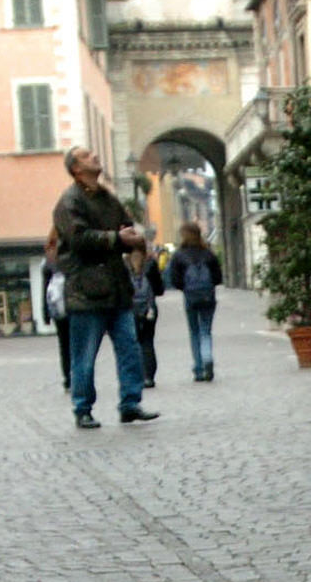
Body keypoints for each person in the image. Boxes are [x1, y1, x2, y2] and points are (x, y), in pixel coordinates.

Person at [51, 147, 158, 431]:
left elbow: (126, 225)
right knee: (84, 356)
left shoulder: (106, 197)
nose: (95, 157)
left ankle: (130, 404)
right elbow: (78, 239)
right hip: (86, 291)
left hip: (116, 288)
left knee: (129, 349)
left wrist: (134, 239)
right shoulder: (69, 201)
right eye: (87, 156)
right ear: (76, 168)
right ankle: (82, 408)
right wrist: (117, 238)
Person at [167, 222, 222, 381]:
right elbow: (218, 277)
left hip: (190, 297)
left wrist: (185, 287)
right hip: (208, 296)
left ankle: (198, 369)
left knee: (194, 332)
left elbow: (175, 280)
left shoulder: (179, 255)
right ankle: (208, 359)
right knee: (206, 330)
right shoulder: (208, 253)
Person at [129, 245, 162, 388]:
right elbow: (160, 289)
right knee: (148, 342)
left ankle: (138, 375)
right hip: (149, 309)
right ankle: (149, 376)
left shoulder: (124, 267)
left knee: (134, 343)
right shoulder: (151, 264)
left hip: (131, 310)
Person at [41, 230, 70, 389]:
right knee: (77, 343)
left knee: (64, 344)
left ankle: (67, 378)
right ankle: (76, 375)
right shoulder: (72, 258)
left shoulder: (49, 262)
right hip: (75, 306)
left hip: (58, 310)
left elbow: (45, 289)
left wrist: (45, 314)